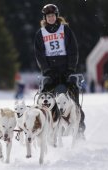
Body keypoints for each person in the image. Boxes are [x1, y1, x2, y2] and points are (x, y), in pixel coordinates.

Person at [34, 4, 85, 138]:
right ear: (45, 18)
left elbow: (73, 50)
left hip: (66, 69)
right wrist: (46, 70)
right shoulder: (41, 33)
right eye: (48, 16)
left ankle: (79, 128)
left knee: (73, 95)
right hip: (50, 71)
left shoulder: (65, 30)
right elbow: (39, 54)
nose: (51, 18)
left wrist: (70, 68)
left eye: (52, 15)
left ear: (56, 16)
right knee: (46, 98)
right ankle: (47, 127)